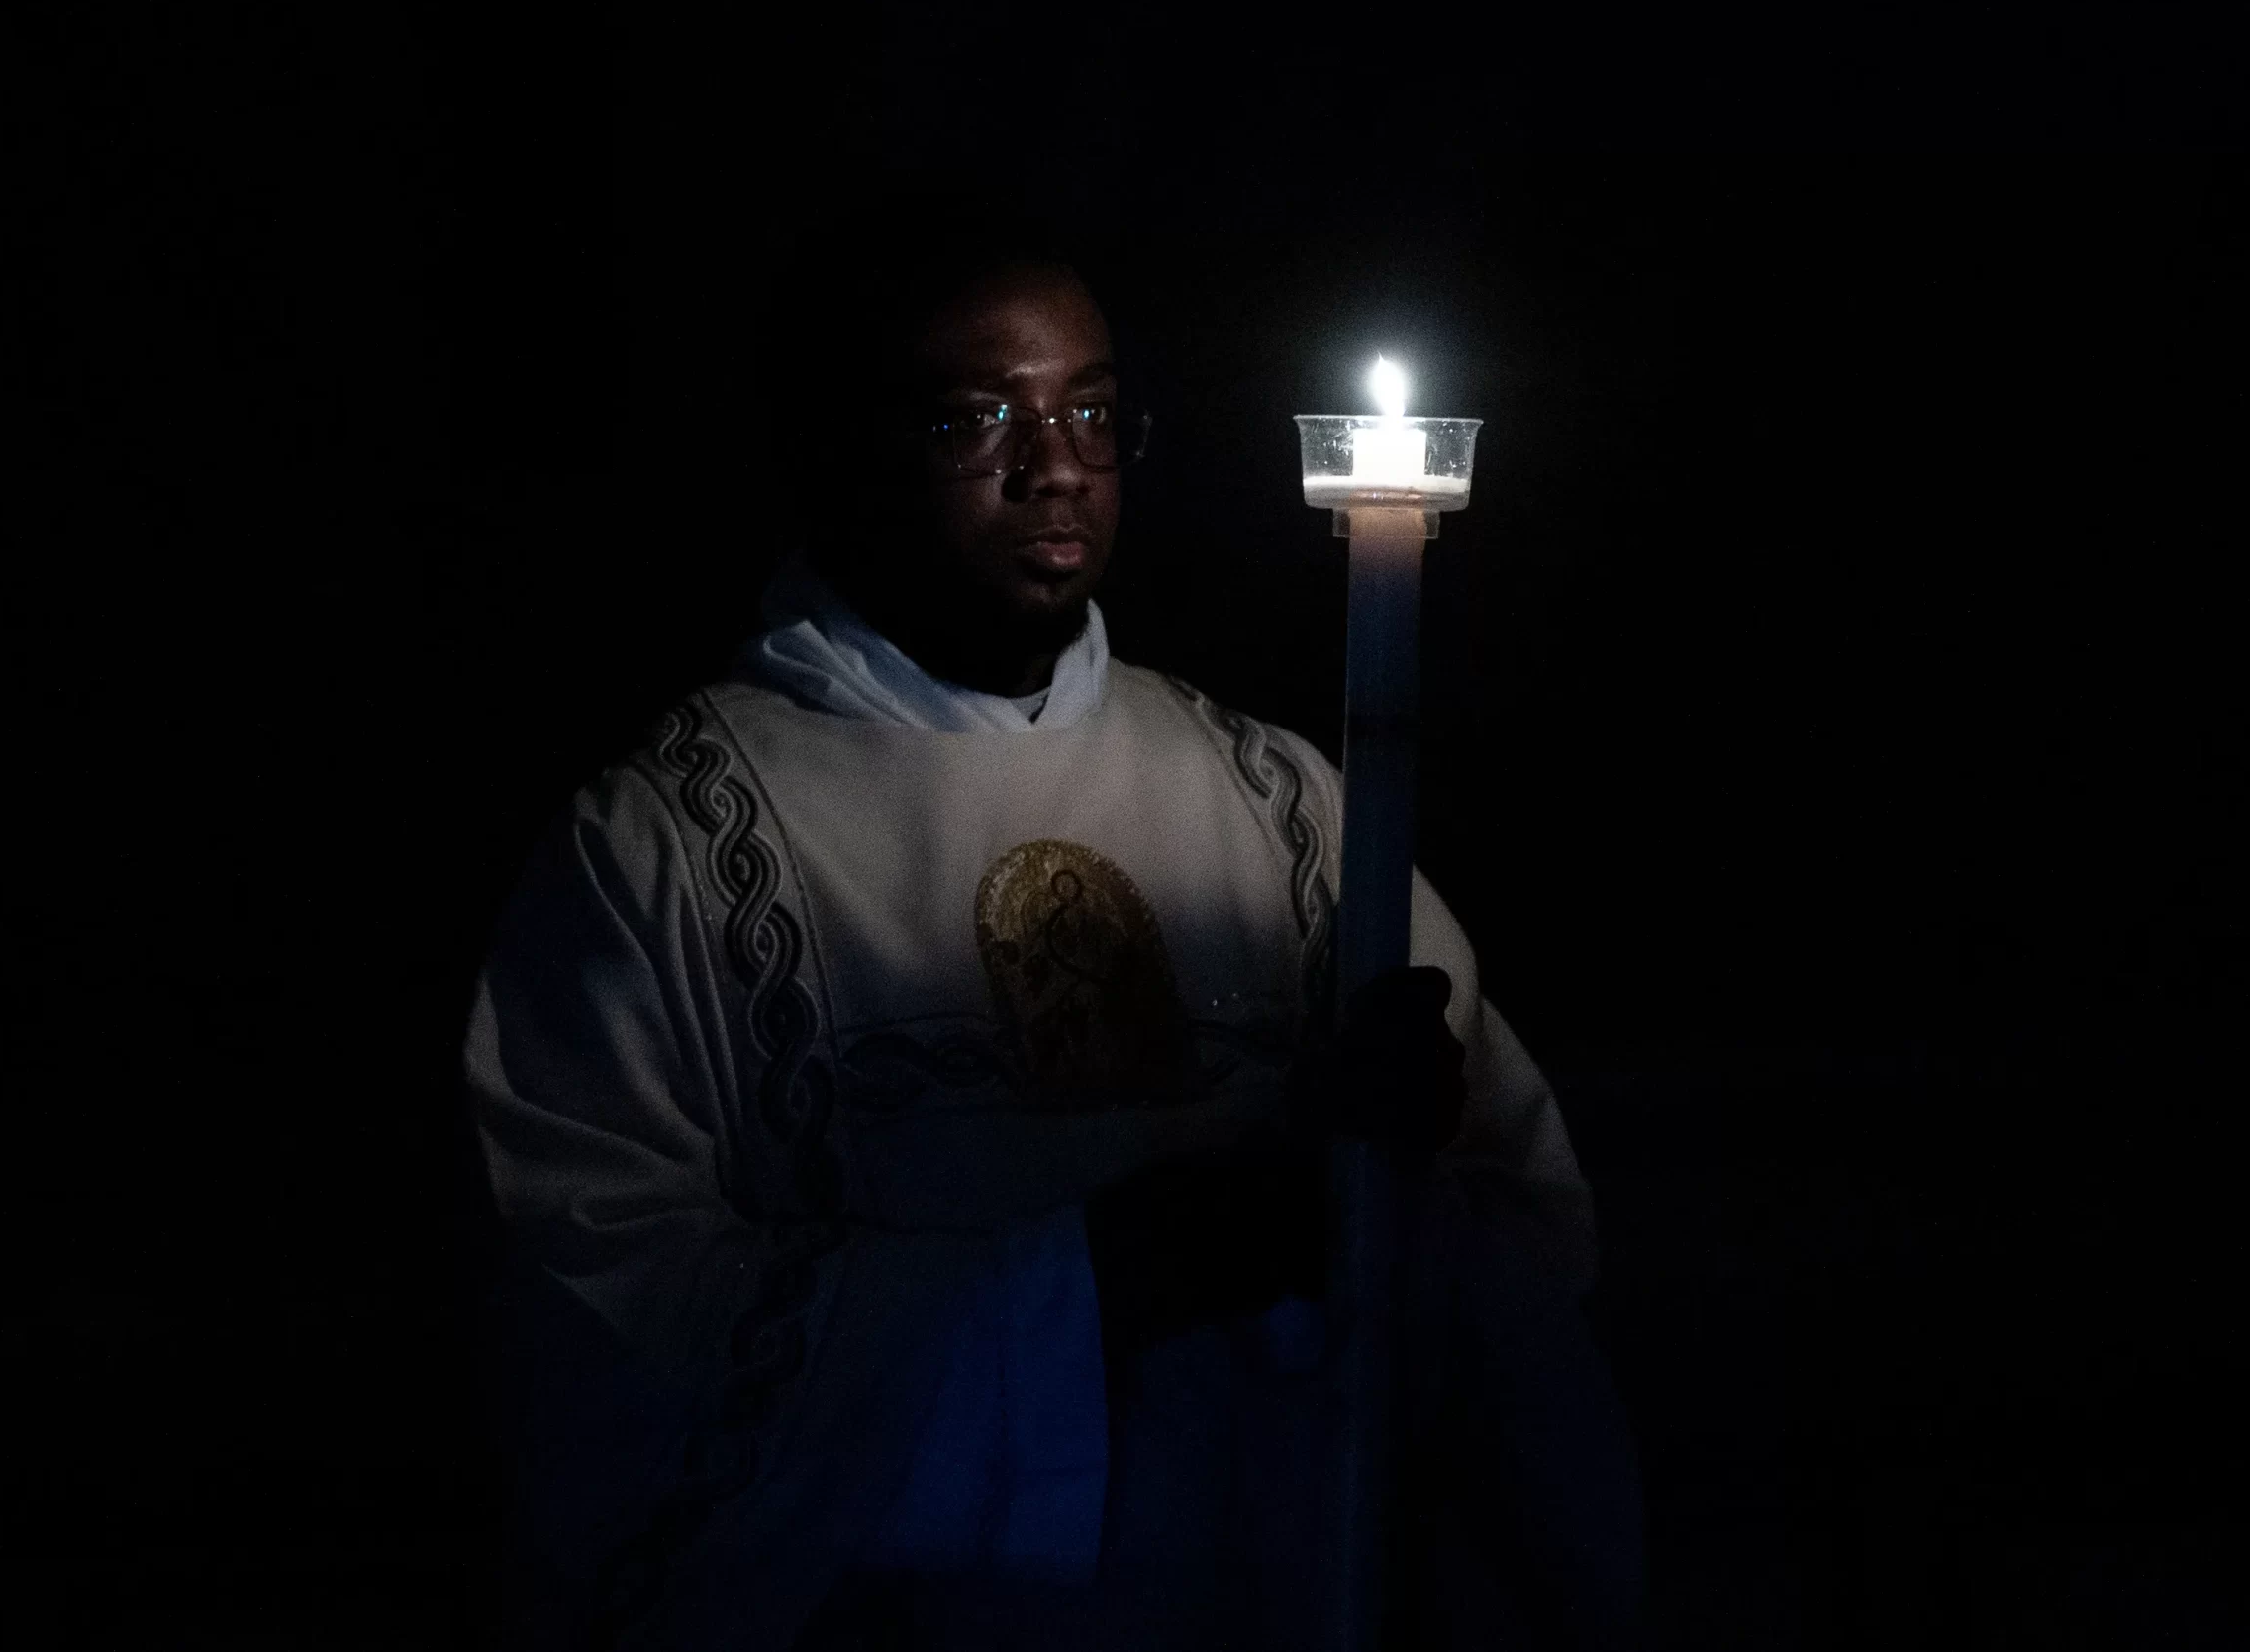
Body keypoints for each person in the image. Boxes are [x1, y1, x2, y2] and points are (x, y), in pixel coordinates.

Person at [464, 205, 1641, 1650]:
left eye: (1090, 406)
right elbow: (601, 1337)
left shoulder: (1279, 803)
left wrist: (1379, 1196)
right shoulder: (668, 849)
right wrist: (1102, 1275)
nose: (1056, 461)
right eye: (977, 417)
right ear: (845, 450)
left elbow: (1526, 1230)